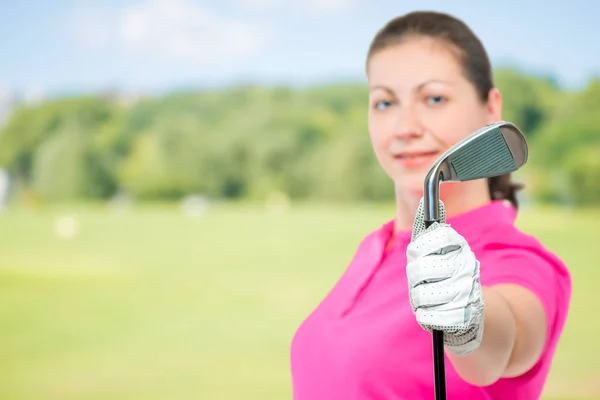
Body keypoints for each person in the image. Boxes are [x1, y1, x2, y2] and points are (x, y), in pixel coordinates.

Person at [289, 10, 572, 400]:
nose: (405, 127)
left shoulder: (519, 260)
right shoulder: (379, 244)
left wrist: (470, 320)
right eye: (385, 103)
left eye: (434, 98)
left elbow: (508, 338)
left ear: (491, 108)